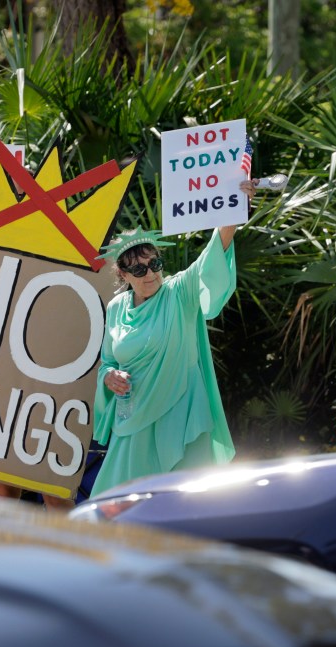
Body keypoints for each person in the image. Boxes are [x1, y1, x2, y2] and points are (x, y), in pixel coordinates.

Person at [90, 181, 255, 497]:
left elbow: (212, 256)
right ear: (122, 275)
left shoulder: (179, 292)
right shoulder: (115, 309)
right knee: (119, 507)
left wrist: (234, 207)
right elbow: (107, 362)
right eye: (138, 270)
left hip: (182, 419)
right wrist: (109, 377)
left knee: (188, 507)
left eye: (155, 264)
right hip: (134, 420)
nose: (150, 274)